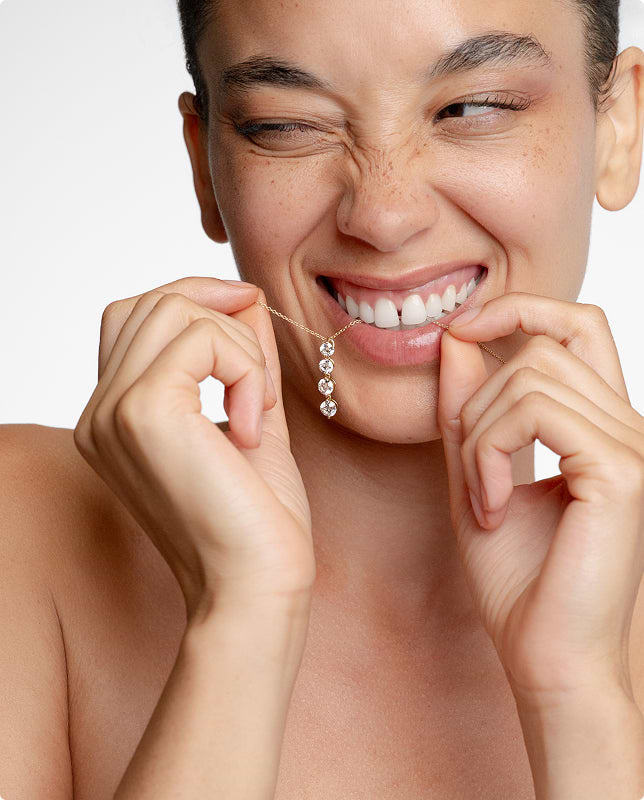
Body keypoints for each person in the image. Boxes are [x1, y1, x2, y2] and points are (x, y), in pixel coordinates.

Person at [1, 0, 644, 797]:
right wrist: (240, 620)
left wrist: (580, 697)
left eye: (471, 108)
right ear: (207, 167)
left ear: (617, 129)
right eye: (284, 124)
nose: (383, 213)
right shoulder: (21, 532)